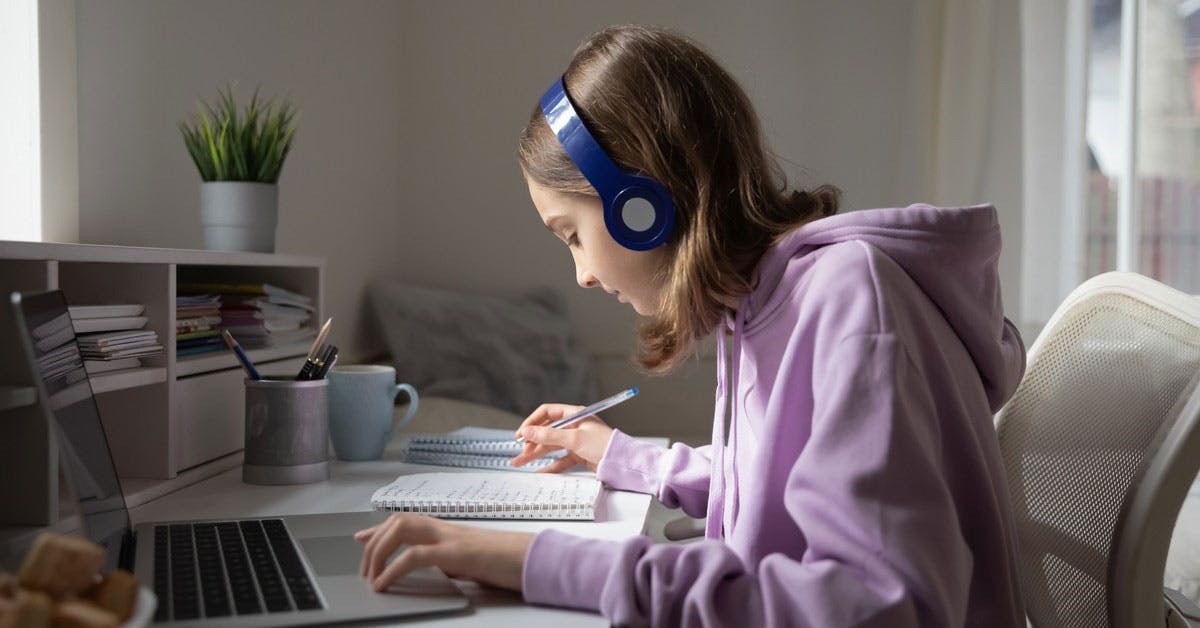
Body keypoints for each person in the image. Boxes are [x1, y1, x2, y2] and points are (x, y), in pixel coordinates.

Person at [356, 24, 1027, 627]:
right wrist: (615, 453)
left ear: (638, 207)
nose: (583, 275)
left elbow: (876, 605)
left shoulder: (851, 303)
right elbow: (773, 478)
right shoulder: (764, 302)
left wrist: (543, 562)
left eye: (572, 235)